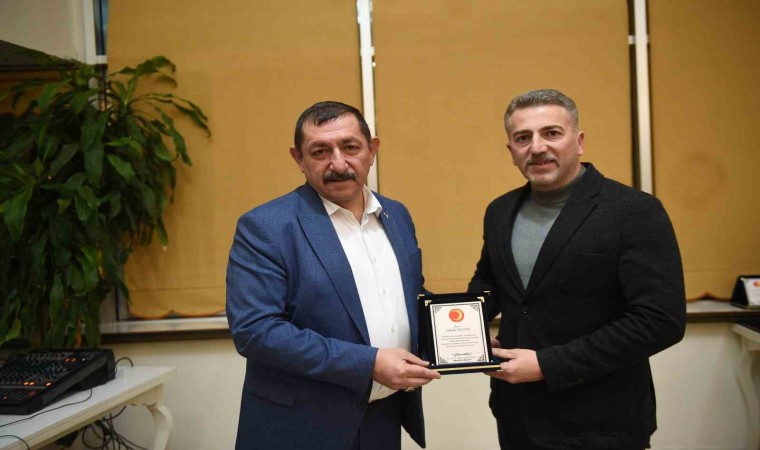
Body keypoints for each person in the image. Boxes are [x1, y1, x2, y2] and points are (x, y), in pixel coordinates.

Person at [468, 89, 686, 450]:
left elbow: (659, 321)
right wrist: (466, 331)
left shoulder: (634, 211)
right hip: (516, 415)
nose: (537, 147)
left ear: (579, 141)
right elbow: (490, 281)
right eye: (523, 138)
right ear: (511, 150)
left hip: (601, 423)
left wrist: (548, 365)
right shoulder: (500, 211)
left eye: (551, 133)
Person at [226, 101, 440, 450]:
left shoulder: (396, 215)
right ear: (299, 158)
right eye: (320, 151)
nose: (338, 164)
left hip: (383, 419)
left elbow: (406, 297)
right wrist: (369, 363)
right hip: (301, 427)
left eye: (350, 147)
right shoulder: (267, 226)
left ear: (372, 150)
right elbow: (255, 330)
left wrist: (460, 336)